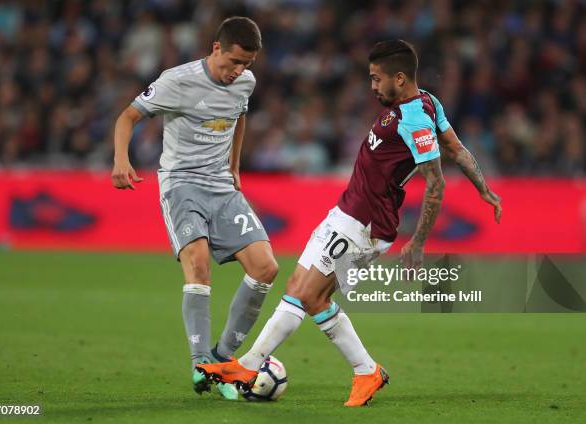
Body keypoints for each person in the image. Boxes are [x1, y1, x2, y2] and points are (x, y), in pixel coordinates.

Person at [197, 40, 502, 407]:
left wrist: (418, 243)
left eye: (377, 79)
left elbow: (436, 181)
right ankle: (349, 370)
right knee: (303, 290)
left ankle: (266, 366)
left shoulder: (416, 119)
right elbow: (459, 149)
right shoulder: (427, 102)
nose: (372, 86)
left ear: (400, 78)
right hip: (346, 212)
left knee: (308, 293)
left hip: (366, 225)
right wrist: (484, 187)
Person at [111, 17, 278, 400]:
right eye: (232, 62)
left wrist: (235, 166)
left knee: (266, 267)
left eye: (246, 65)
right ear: (215, 48)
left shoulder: (244, 82)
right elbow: (128, 116)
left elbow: (240, 116)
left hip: (221, 186)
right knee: (198, 264)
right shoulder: (177, 79)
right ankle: (201, 362)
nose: (237, 72)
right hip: (181, 184)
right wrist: (121, 159)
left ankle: (221, 359)